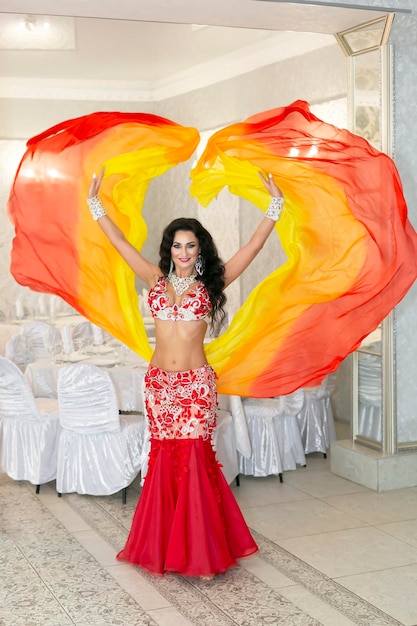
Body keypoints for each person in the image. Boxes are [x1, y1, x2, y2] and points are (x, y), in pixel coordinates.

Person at [87, 169, 284, 578]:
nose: (183, 251)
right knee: (163, 461)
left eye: (190, 245)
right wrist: (95, 204)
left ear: (200, 249)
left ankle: (203, 553)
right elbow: (119, 242)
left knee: (195, 459)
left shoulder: (213, 282)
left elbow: (253, 245)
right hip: (160, 384)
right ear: (169, 248)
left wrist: (274, 206)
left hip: (195, 386)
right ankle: (163, 548)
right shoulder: (154, 280)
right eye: (177, 245)